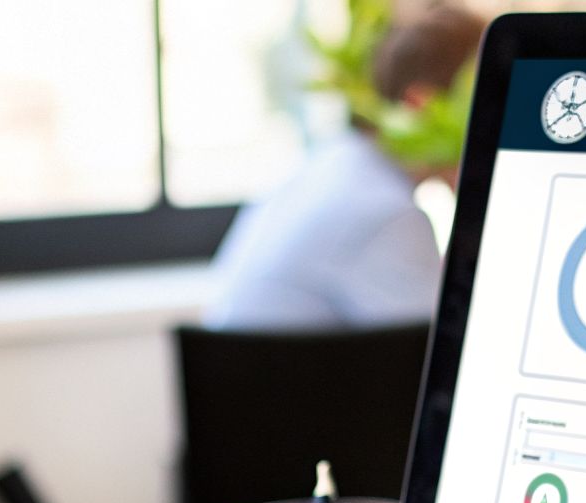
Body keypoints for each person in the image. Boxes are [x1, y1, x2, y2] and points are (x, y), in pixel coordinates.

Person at [201, 4, 484, 332]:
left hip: (244, 375)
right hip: (283, 380)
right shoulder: (387, 215)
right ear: (420, 104)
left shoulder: (334, 163)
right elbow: (453, 351)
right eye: (485, 100)